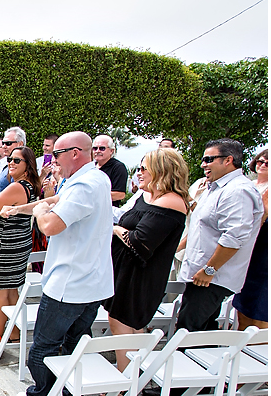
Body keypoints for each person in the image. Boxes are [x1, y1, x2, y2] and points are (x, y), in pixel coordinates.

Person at [6, 132, 114, 396]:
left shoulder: (84, 186)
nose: (53, 161)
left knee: (43, 347)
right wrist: (19, 210)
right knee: (73, 345)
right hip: (93, 282)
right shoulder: (96, 178)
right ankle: (65, 392)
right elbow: (54, 202)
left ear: (75, 153)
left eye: (56, 154)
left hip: (70, 283)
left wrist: (40, 213)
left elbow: (51, 223)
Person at [103, 148, 189, 370]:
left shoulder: (171, 202)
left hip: (139, 276)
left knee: (122, 325)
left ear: (162, 171)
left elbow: (139, 242)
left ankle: (123, 385)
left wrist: (115, 230)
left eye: (144, 169)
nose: (138, 173)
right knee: (125, 325)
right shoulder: (148, 195)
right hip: (125, 271)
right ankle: (131, 378)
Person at [177, 139, 264, 332]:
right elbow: (201, 226)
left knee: (187, 333)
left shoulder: (238, 191)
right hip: (202, 275)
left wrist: (209, 270)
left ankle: (188, 362)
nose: (203, 164)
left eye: (209, 159)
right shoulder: (216, 187)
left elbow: (234, 237)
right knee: (200, 330)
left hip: (212, 278)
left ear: (228, 160)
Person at [0, 146, 39, 347]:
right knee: (11, 289)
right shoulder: (31, 186)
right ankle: (14, 331)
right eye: (10, 159)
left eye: (16, 160)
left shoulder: (17, 187)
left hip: (6, 247)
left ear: (28, 166)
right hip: (19, 244)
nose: (10, 162)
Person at [231, 149, 268, 330]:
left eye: (267, 163)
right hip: (245, 251)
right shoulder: (249, 184)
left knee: (259, 306)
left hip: (263, 251)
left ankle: (257, 350)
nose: (262, 165)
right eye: (260, 161)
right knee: (242, 302)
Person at [92, 135, 128, 206]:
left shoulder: (118, 167)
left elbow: (120, 194)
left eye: (102, 148)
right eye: (95, 148)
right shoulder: (91, 167)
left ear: (111, 151)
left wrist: (92, 196)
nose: (97, 151)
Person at [0, 127, 26, 194]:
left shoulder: (21, 165)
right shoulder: (9, 164)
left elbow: (14, 194)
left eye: (8, 143)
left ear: (20, 144)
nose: (4, 146)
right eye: (3, 143)